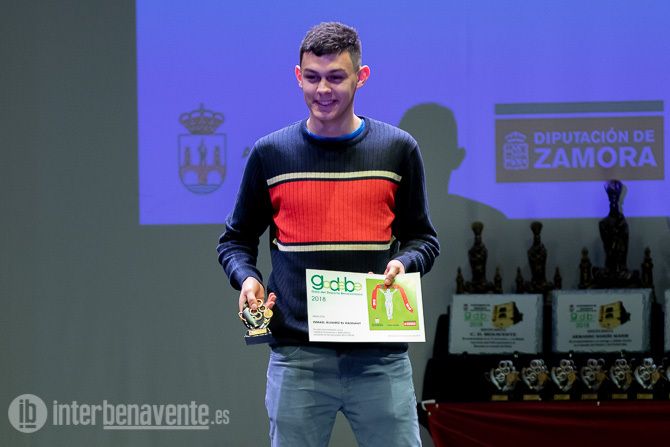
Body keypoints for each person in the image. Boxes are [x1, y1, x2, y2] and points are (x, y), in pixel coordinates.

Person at [217, 22, 439, 447]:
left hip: (379, 357)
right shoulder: (271, 153)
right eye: (312, 77)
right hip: (298, 358)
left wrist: (403, 262)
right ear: (297, 77)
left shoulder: (398, 149)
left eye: (336, 77)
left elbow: (423, 239)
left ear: (361, 76)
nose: (323, 89)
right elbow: (235, 239)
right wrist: (246, 278)